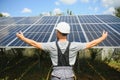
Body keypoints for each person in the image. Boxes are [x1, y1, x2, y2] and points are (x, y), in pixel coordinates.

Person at [16, 22, 108, 80]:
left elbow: (34, 44)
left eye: (56, 31)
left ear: (59, 32)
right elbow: (91, 44)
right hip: (69, 76)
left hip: (56, 76)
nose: (56, 32)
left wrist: (22, 38)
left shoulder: (51, 45)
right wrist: (102, 38)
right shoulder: (74, 45)